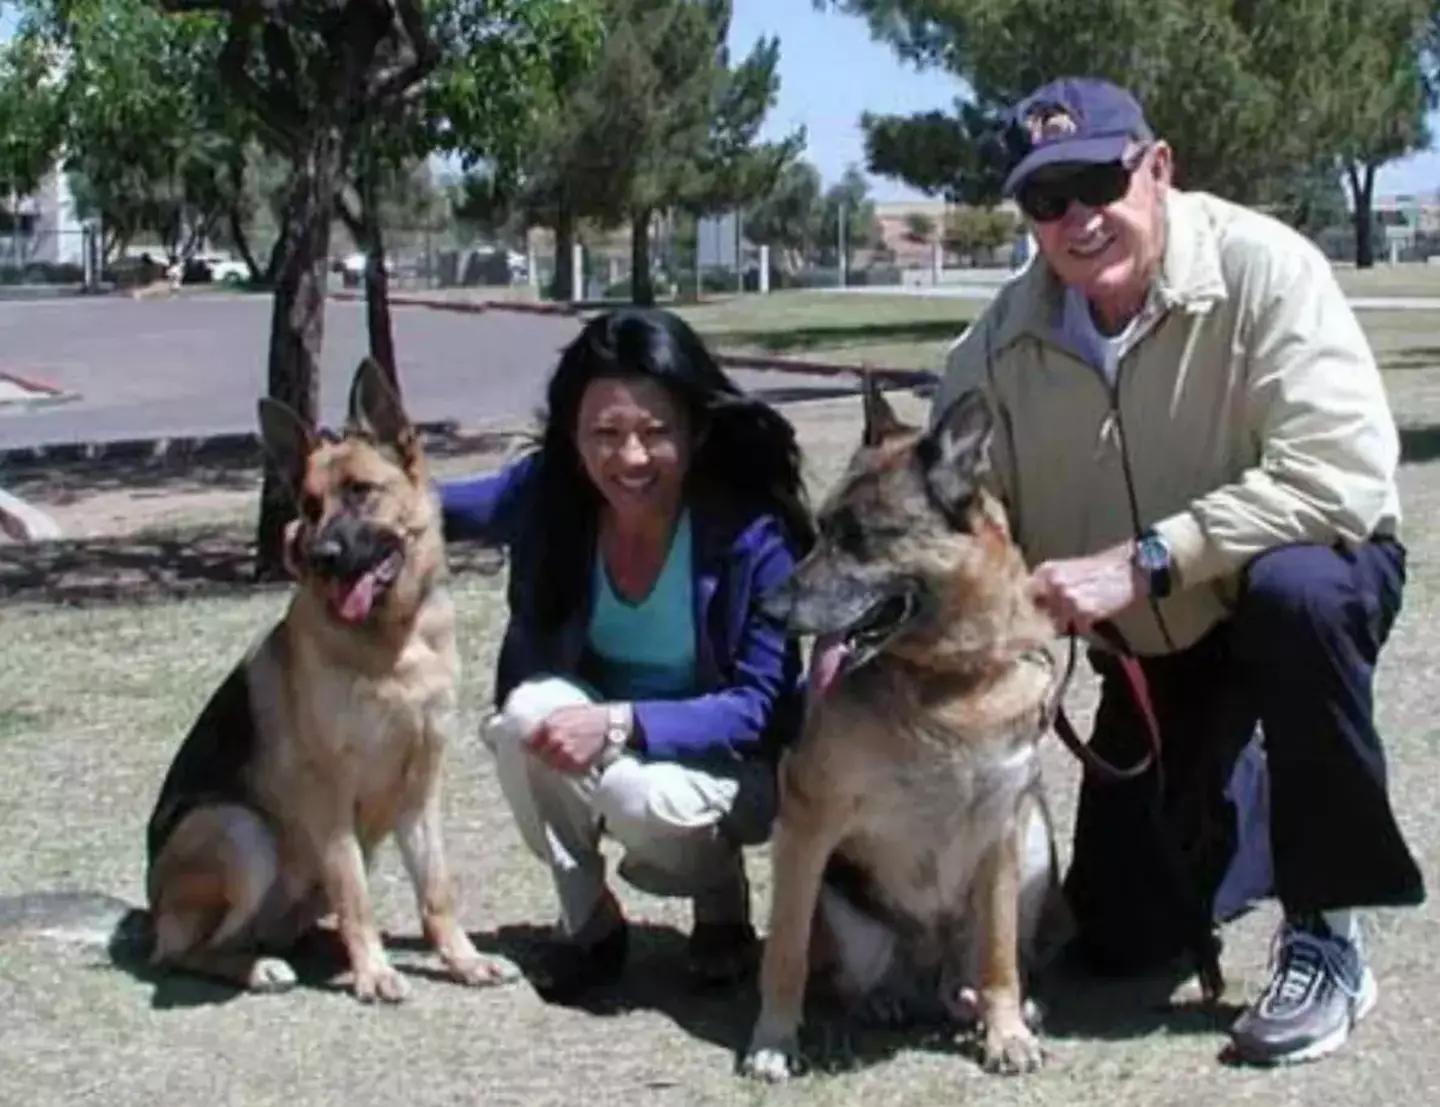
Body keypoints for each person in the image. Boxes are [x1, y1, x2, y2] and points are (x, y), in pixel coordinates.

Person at [929, 76, 1426, 1066]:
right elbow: (951, 511)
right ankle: (1242, 797)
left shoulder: (1267, 269)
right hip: (1156, 651)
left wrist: (1149, 558)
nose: (1077, 218)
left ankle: (1327, 934)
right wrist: (869, 634)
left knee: (1300, 597)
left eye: (1096, 181)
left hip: (1286, 589)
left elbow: (1338, 477)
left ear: (1156, 168)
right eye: (1044, 198)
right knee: (1118, 942)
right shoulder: (995, 345)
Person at [437, 306, 815, 1004]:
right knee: (526, 717)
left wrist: (617, 723)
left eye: (655, 432)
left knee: (636, 795)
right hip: (613, 745)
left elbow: (761, 708)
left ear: (697, 430)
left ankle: (721, 897)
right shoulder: (551, 495)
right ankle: (591, 923)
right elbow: (428, 507)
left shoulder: (752, 533)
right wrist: (331, 520)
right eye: (604, 434)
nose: (630, 458)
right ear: (573, 437)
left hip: (729, 768)